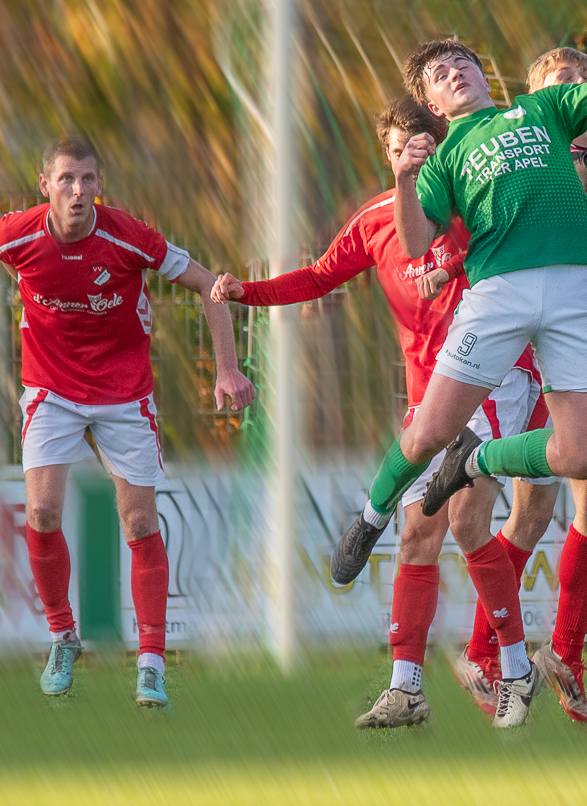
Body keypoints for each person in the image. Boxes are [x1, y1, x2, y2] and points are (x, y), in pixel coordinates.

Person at [328, 35, 587, 726]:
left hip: (573, 293)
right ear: (432, 104)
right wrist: (404, 177)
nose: (453, 72)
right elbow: (418, 241)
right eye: (437, 72)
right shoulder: (444, 155)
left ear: (485, 74)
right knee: (427, 432)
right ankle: (370, 517)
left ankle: (478, 459)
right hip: (499, 293)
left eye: (461, 62)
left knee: (584, 455)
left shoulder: (541, 109)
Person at [210, 98, 548, 729]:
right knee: (418, 534)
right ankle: (406, 689)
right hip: (428, 395)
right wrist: (245, 292)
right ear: (388, 156)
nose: (411, 158)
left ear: (446, 149)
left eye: (423, 147)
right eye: (399, 150)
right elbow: (318, 277)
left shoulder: (477, 206)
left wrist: (452, 261)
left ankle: (514, 669)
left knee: (467, 519)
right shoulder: (374, 221)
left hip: (497, 378)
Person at [0, 135, 254, 708]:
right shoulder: (14, 237)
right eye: (66, 179)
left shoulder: (128, 236)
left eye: (87, 179)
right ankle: (63, 638)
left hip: (123, 392)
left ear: (99, 185)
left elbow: (210, 287)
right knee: (41, 512)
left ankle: (152, 662)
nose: (78, 190)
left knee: (138, 522)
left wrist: (227, 369)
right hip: (51, 390)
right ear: (45, 185)